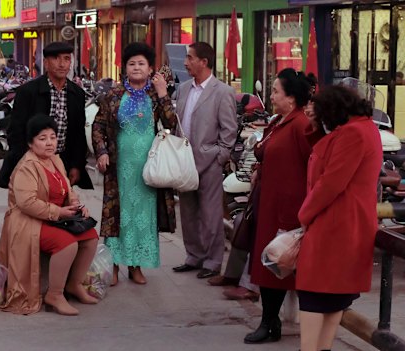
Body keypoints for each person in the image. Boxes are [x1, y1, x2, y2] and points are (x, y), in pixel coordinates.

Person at [296, 86, 382, 351]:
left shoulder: (353, 134)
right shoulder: (363, 128)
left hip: (336, 223)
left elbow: (331, 183)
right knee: (333, 298)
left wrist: (304, 214)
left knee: (313, 293)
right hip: (347, 222)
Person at [92, 42, 177, 285]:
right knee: (119, 216)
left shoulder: (156, 94)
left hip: (148, 169)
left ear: (150, 68)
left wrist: (163, 93)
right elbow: (98, 126)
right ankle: (114, 265)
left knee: (143, 216)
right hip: (120, 167)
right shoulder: (114, 95)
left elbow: (172, 124)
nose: (136, 67)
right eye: (132, 63)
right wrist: (101, 152)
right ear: (125, 68)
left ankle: (136, 266)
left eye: (141, 63)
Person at [0, 114, 99, 316]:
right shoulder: (27, 166)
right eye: (42, 139)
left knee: (90, 237)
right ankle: (55, 294)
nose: (49, 143)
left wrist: (76, 205)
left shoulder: (55, 160)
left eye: (52, 137)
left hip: (55, 217)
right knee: (66, 243)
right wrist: (59, 212)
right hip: (28, 221)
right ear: (30, 143)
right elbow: (27, 204)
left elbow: (67, 189)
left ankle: (74, 284)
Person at [245, 68, 315, 344]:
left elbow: (313, 164)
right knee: (266, 262)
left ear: (291, 98)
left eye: (276, 91)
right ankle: (269, 320)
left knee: (276, 263)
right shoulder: (280, 121)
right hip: (269, 199)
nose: (272, 96)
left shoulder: (300, 125)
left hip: (287, 204)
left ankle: (269, 321)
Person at [172, 42, 237, 279]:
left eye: (190, 58)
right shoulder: (183, 89)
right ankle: (194, 256)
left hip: (209, 160)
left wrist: (220, 155)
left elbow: (229, 130)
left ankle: (213, 261)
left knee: (211, 215)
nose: (186, 62)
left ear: (204, 62)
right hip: (184, 161)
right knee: (188, 212)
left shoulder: (223, 92)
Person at [0, 41, 93, 190]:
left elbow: (78, 134)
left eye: (66, 59)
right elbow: (16, 131)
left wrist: (76, 165)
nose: (62, 64)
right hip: (31, 162)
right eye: (56, 59)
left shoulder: (77, 94)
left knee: (60, 207)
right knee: (31, 207)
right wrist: (26, 163)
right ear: (46, 63)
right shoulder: (28, 91)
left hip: (62, 162)